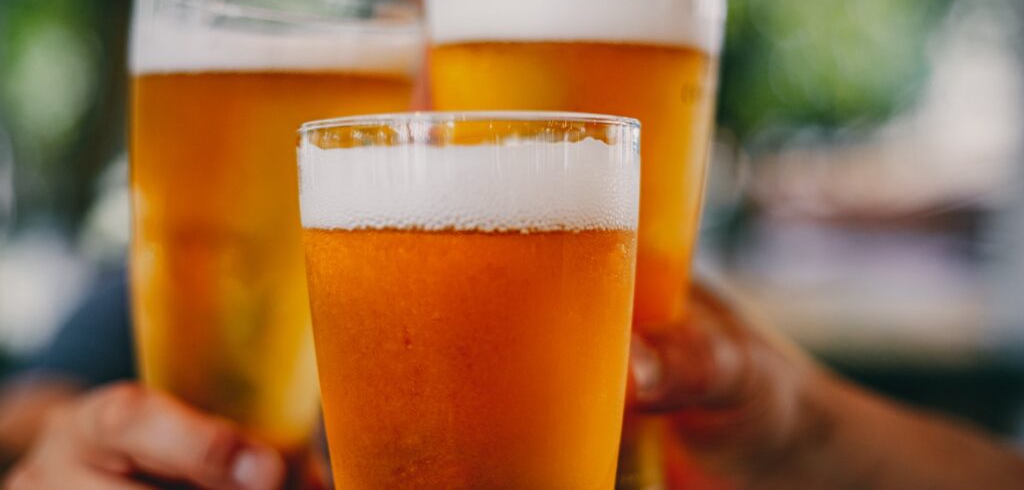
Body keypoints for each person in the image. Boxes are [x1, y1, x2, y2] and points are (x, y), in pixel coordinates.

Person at [3, 275, 1023, 489]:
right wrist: (75, 438)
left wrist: (798, 425)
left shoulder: (647, 306)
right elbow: (37, 413)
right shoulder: (188, 265)